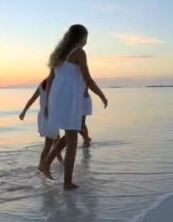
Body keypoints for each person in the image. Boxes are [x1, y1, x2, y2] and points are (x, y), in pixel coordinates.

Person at [40, 24, 108, 190]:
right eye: (86, 36)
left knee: (70, 135)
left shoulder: (58, 55)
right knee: (72, 140)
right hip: (69, 99)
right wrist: (101, 95)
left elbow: (49, 81)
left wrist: (48, 103)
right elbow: (88, 79)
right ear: (81, 37)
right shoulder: (79, 52)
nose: (87, 40)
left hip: (58, 97)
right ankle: (67, 182)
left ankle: (47, 164)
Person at [19, 79, 63, 169]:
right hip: (50, 116)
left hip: (44, 116)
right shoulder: (53, 84)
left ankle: (61, 163)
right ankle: (41, 166)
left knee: (57, 142)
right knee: (49, 144)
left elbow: (32, 99)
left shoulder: (42, 84)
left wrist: (24, 111)